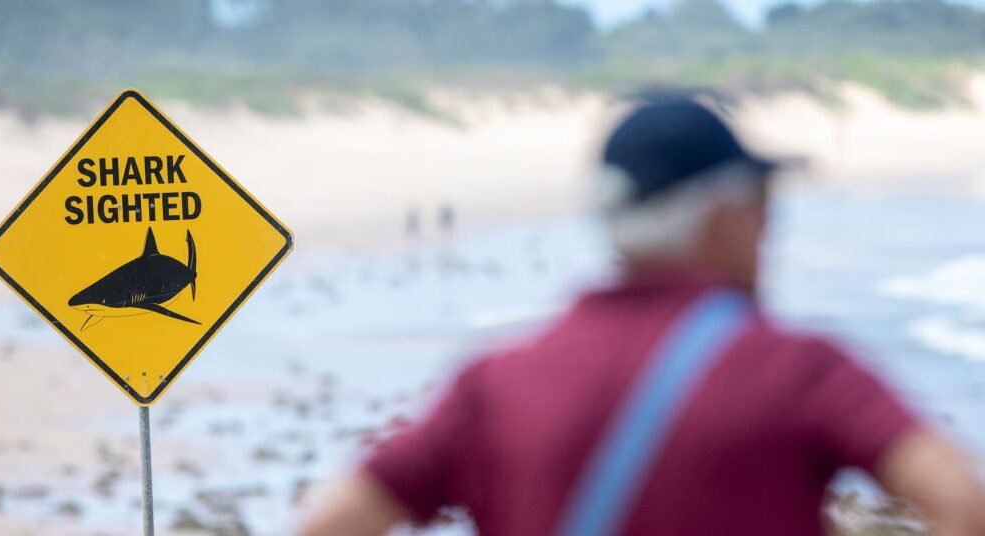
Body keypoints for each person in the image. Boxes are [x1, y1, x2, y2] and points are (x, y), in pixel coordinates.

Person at [297, 99, 985, 535]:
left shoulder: (495, 384)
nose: (770, 228)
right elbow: (963, 503)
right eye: (763, 206)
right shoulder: (799, 371)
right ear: (722, 216)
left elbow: (332, 522)